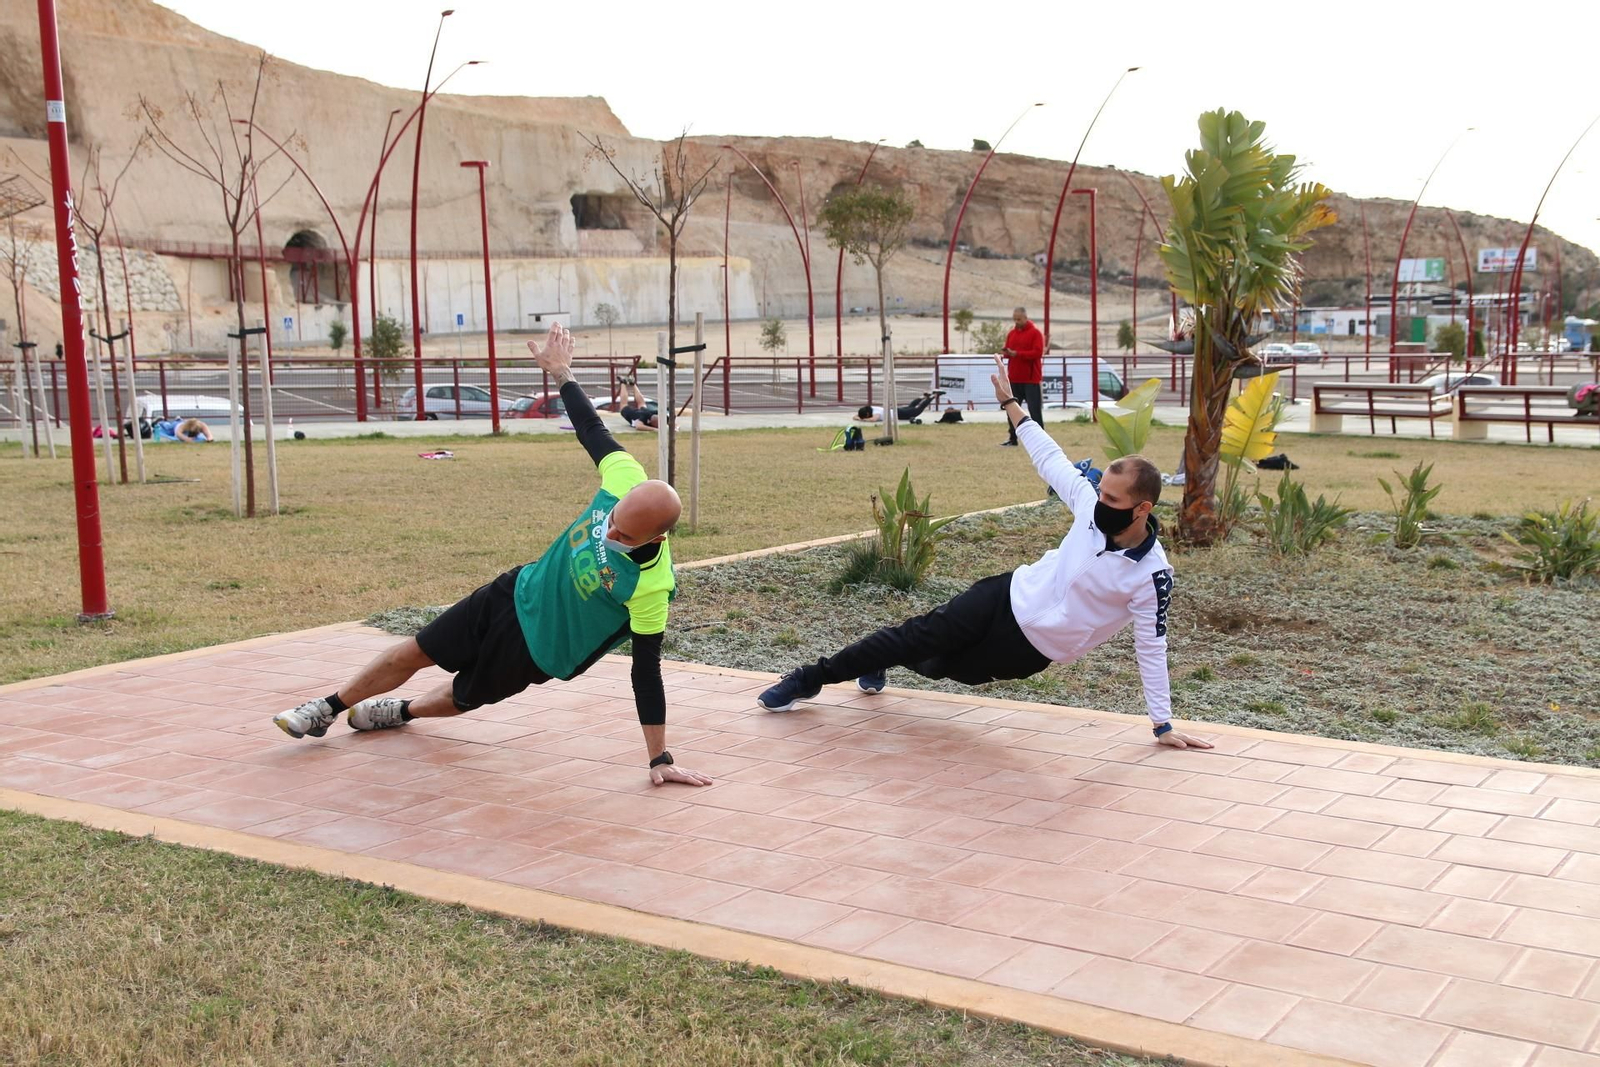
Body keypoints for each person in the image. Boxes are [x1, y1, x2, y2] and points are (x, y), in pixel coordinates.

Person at [273, 323, 712, 788]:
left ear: (655, 541)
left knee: (462, 697)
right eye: (612, 519)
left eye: (622, 533)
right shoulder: (624, 475)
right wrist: (562, 372)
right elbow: (589, 425)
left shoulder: (651, 588)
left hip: (541, 649)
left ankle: (399, 711)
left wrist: (658, 758)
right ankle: (326, 707)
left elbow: (647, 673)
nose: (610, 531)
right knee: (420, 648)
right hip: (515, 591)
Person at [756, 354, 1212, 751]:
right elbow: (1050, 458)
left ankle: (879, 660)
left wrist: (1162, 724)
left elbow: (1152, 646)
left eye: (1113, 500)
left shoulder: (1152, 575)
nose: (1100, 502)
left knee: (939, 665)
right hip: (1004, 595)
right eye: (1101, 493)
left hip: (1032, 648)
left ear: (1142, 508)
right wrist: (1009, 402)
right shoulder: (1090, 504)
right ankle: (808, 678)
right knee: (915, 634)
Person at [1002, 306, 1045, 446]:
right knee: (1012, 410)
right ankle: (1012, 438)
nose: (1016, 321)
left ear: (1026, 318)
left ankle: (1040, 441)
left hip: (1031, 379)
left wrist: (1018, 354)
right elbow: (1008, 352)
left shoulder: (1035, 333)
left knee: (1034, 411)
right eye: (1014, 319)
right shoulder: (1011, 334)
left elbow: (1037, 353)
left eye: (1019, 319)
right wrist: (1007, 352)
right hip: (1014, 378)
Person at [854, 391, 940, 424]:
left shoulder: (877, 414)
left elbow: (873, 419)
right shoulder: (872, 408)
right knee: (911, 406)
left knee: (918, 409)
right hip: (896, 411)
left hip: (900, 415)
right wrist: (860, 417)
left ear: (868, 414)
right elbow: (855, 416)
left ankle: (934, 396)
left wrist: (862, 419)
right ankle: (923, 397)